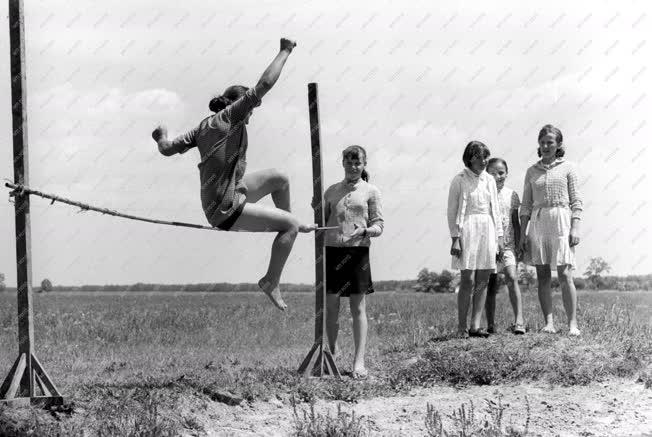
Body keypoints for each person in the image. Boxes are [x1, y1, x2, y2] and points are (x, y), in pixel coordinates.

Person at [152, 38, 316, 311]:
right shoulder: (232, 115)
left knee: (280, 178)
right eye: (251, 110)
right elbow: (264, 85)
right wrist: (285, 50)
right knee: (290, 226)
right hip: (224, 207)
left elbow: (167, 149)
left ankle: (286, 227)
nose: (251, 116)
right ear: (242, 106)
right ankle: (271, 278)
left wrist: (161, 137)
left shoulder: (202, 126)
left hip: (230, 190)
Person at [319, 145, 383, 378]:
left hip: (358, 253)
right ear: (343, 163)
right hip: (332, 250)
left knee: (358, 307)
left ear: (364, 164)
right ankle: (331, 356)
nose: (353, 167)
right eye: (349, 162)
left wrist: (365, 231)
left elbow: (379, 225)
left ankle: (359, 362)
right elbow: (322, 222)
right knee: (332, 307)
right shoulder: (330, 191)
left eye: (358, 163)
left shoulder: (371, 191)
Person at [519, 124, 582, 336]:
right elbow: (525, 206)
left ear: (558, 145)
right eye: (543, 142)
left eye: (550, 142)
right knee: (543, 275)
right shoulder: (531, 171)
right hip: (538, 223)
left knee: (565, 274)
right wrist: (522, 235)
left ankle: (572, 324)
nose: (546, 146)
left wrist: (575, 226)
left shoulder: (568, 167)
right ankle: (549, 323)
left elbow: (576, 201)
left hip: (561, 220)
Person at [447, 141, 504, 338]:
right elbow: (452, 211)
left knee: (484, 279)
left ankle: (475, 325)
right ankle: (461, 326)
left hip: (487, 228)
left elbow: (495, 210)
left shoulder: (489, 180)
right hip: (467, 229)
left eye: (486, 157)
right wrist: (455, 237)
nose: (484, 161)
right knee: (467, 279)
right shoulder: (459, 180)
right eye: (480, 157)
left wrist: (499, 238)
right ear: (470, 158)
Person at [485, 158, 525, 335]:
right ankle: (490, 324)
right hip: (489, 246)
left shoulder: (512, 195)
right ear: (486, 174)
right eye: (492, 173)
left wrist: (518, 245)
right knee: (490, 285)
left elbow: (515, 223)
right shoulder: (484, 193)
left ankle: (519, 321)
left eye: (501, 172)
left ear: (507, 174)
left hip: (508, 245)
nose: (497, 176)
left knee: (512, 277)